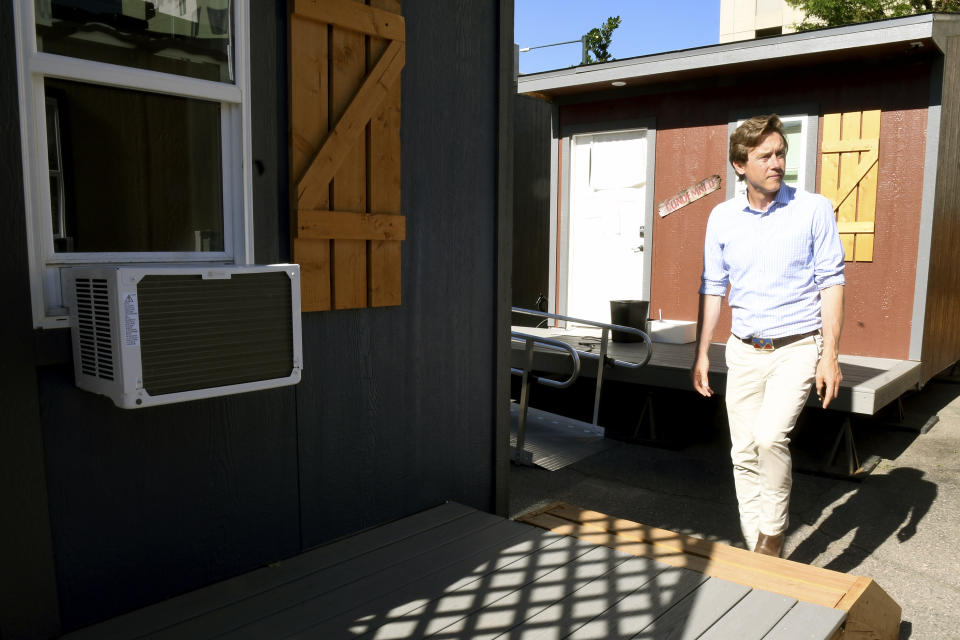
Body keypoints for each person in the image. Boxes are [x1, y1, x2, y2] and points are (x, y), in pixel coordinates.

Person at [691, 114, 845, 557]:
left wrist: (829, 355)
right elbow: (714, 286)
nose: (777, 163)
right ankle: (757, 548)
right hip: (742, 351)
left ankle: (771, 537)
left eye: (781, 154)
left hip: (796, 348)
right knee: (742, 453)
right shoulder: (722, 218)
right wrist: (703, 353)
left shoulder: (812, 209)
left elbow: (832, 282)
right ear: (741, 165)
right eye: (766, 156)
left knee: (770, 438)